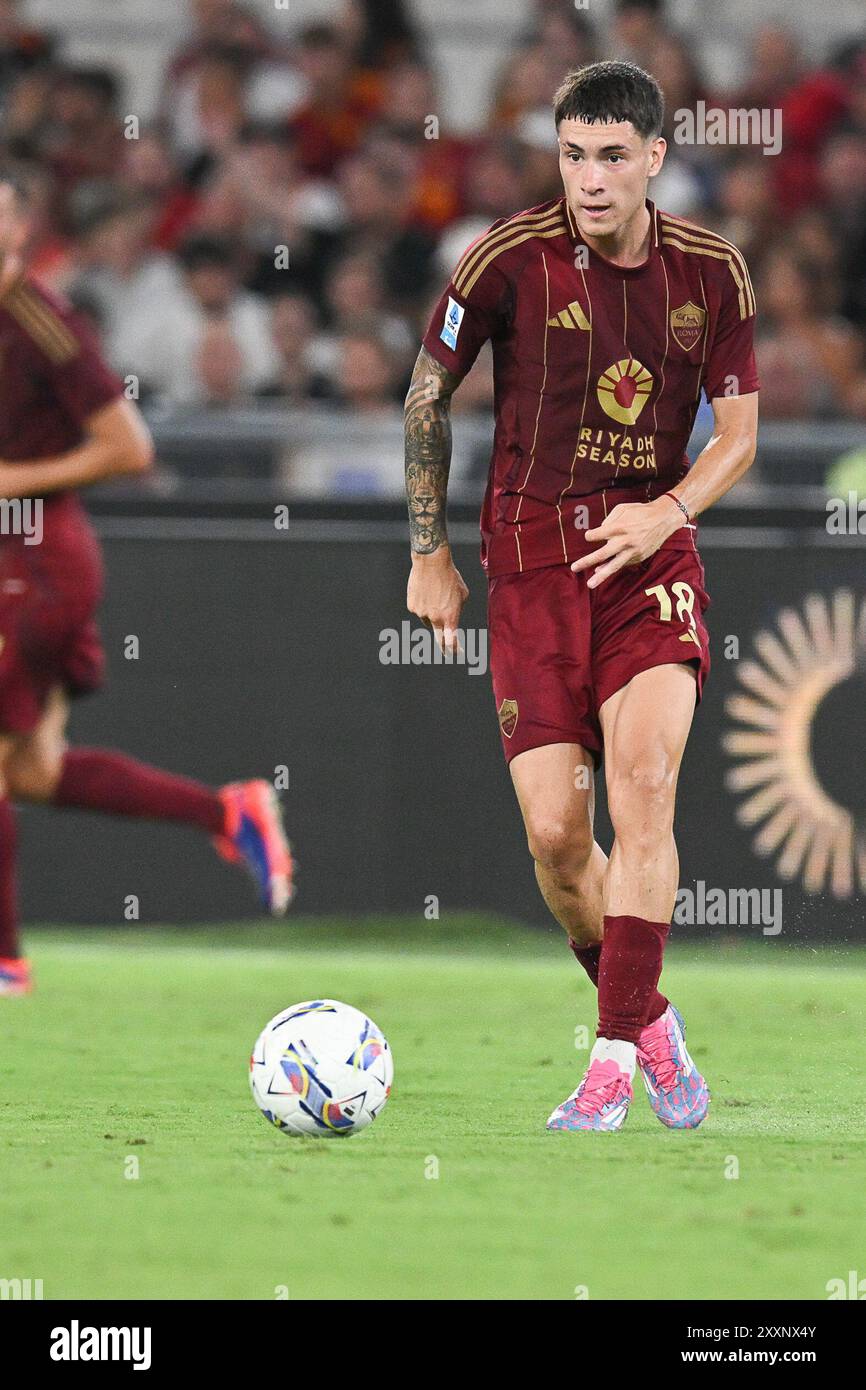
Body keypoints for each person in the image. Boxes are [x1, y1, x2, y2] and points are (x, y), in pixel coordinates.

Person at [403, 61, 759, 1132]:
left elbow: (738, 436)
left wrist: (669, 512)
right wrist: (426, 551)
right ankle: (648, 1020)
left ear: (654, 159)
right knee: (558, 839)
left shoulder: (711, 273)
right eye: (571, 156)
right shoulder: (507, 259)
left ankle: (607, 1062)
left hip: (647, 560)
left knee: (643, 783)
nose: (588, 179)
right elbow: (427, 393)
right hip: (530, 566)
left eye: (610, 157)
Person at [0, 176, 293, 997]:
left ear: (20, 232)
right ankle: (227, 814)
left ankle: (5, 962)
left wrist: (13, 478)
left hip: (38, 569)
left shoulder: (45, 328)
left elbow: (129, 449)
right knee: (31, 772)